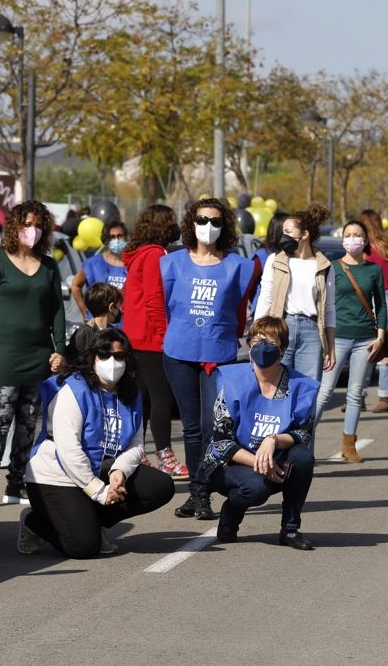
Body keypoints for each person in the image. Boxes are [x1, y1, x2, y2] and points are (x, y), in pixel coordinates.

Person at [19, 328, 175, 558]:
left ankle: (93, 521)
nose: (112, 362)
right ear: (93, 358)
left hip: (99, 467)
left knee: (160, 486)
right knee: (84, 548)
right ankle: (34, 522)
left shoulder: (132, 395)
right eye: (104, 355)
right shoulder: (73, 390)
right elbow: (68, 451)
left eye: (120, 356)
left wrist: (119, 472)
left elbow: (136, 445)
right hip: (56, 476)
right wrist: (99, 492)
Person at [161, 198, 258, 520]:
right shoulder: (171, 263)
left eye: (216, 221)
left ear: (225, 227)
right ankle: (196, 494)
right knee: (190, 426)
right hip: (179, 352)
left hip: (220, 354)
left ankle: (205, 489)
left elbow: (242, 310)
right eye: (202, 219)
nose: (208, 226)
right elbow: (161, 307)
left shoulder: (240, 267)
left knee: (210, 425)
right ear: (191, 223)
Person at [0, 201, 66, 509]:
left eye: (38, 225)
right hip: (4, 355)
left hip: (38, 356)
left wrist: (59, 350)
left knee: (28, 424)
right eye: (27, 224)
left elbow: (57, 311)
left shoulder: (49, 266)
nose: (32, 230)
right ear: (15, 227)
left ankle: (17, 483)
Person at [203, 317, 318, 550]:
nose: (263, 346)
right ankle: (230, 514)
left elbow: (303, 434)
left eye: (271, 341)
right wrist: (260, 463)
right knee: (256, 488)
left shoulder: (300, 386)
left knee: (303, 458)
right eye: (257, 340)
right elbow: (222, 442)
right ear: (249, 344)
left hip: (273, 459)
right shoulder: (232, 381)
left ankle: (290, 529)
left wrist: (272, 440)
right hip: (230, 463)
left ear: (283, 349)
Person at [314, 219, 388, 462]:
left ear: (365, 240)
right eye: (348, 234)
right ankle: (302, 441)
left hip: (365, 339)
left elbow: (381, 304)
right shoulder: (331, 267)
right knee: (325, 393)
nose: (353, 238)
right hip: (337, 338)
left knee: (355, 394)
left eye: (357, 235)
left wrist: (380, 335)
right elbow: (322, 302)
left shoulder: (374, 270)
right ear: (342, 238)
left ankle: (349, 446)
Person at [122, 204, 187, 481]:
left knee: (145, 400)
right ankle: (166, 457)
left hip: (136, 337)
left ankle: (136, 454)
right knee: (161, 399)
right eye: (172, 221)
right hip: (150, 339)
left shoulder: (140, 254)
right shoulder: (154, 255)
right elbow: (154, 299)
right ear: (161, 225)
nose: (176, 227)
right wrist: (165, 336)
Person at [253, 204, 336, 381]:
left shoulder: (324, 266)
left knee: (307, 389)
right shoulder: (275, 261)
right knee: (278, 385)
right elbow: (265, 298)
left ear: (304, 234)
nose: (284, 236)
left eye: (288, 231)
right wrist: (257, 333)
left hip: (312, 331)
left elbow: (329, 309)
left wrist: (330, 347)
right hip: (281, 327)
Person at [360, 209, 388, 413]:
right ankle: (370, 395)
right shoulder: (386, 246)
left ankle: (377, 396)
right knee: (378, 347)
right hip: (384, 297)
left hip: (373, 299)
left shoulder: (368, 250)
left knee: (372, 349)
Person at [71, 220, 128, 322]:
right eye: (112, 237)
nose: (116, 240)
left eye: (120, 236)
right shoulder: (92, 263)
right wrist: (84, 312)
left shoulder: (133, 264)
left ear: (126, 237)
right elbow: (75, 286)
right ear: (106, 240)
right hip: (97, 327)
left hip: (124, 325)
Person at [66, 283, 123, 363]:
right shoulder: (84, 333)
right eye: (119, 306)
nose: (120, 311)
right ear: (111, 307)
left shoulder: (114, 332)